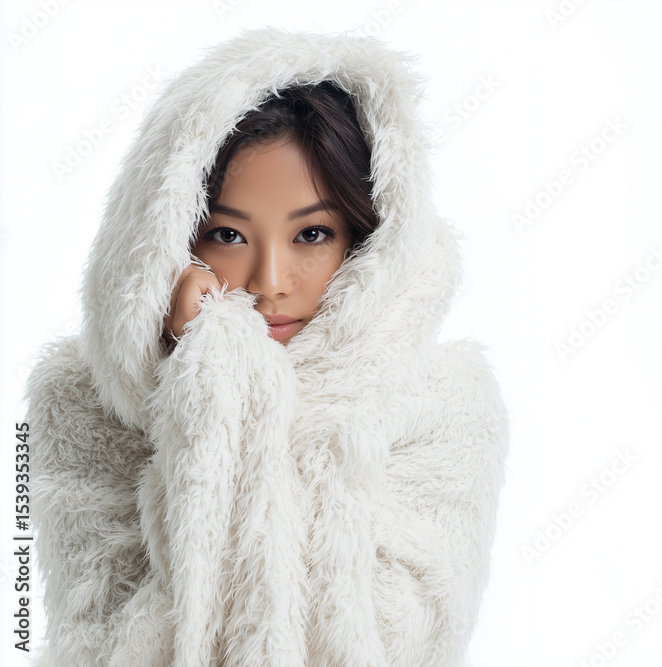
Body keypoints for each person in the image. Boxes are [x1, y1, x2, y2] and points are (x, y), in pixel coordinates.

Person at [24, 27, 508, 667]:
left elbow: (393, 644)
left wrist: (232, 383)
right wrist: (209, 382)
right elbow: (99, 648)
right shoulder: (80, 404)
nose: (270, 282)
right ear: (166, 239)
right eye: (227, 234)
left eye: (311, 234)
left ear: (365, 240)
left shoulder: (445, 403)